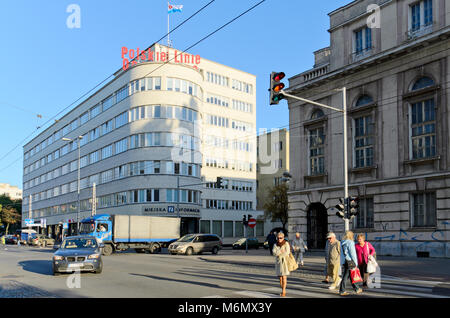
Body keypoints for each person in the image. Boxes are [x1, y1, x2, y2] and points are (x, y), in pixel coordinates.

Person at [339, 231, 363, 296]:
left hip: (345, 261)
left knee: (349, 275)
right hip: (350, 261)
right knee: (347, 276)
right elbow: (353, 253)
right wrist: (356, 263)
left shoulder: (342, 242)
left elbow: (341, 253)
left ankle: (356, 289)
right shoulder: (350, 242)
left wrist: (342, 262)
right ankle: (342, 290)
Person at [272, 232, 291, 297]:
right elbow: (274, 253)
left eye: (281, 238)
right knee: (280, 278)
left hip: (285, 262)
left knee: (284, 277)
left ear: (283, 238)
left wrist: (280, 254)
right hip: (278, 263)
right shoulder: (275, 244)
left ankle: (283, 291)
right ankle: (282, 288)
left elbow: (287, 252)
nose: (279, 239)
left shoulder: (286, 244)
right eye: (278, 238)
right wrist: (280, 251)